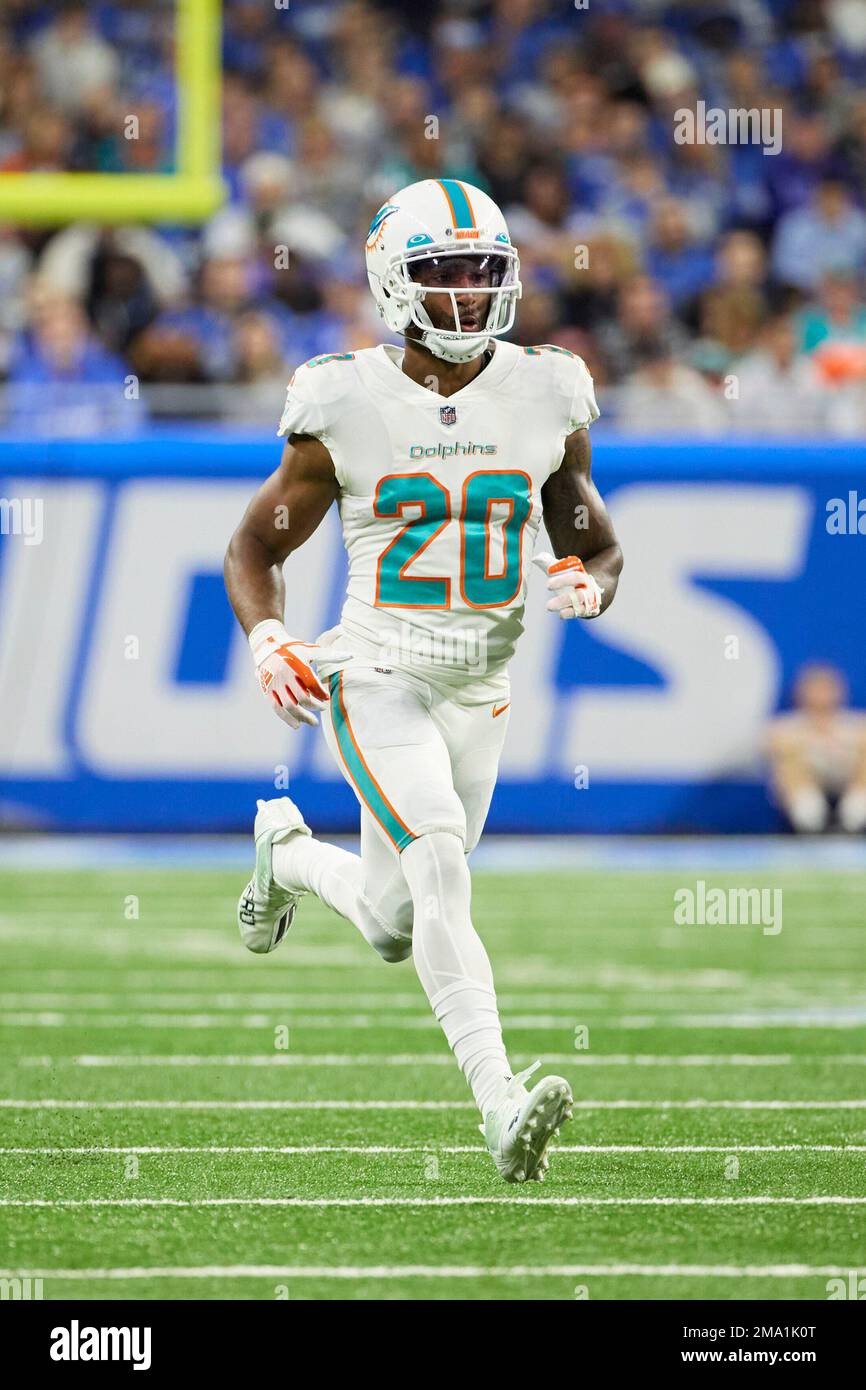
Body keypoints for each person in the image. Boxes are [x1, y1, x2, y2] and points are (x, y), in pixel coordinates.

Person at [224, 178, 623, 1184]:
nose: (460, 294)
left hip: (480, 689)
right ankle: (497, 1104)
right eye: (438, 274)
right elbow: (252, 545)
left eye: (480, 273)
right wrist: (271, 635)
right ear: (392, 284)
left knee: (394, 921)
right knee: (440, 858)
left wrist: (589, 580)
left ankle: (282, 849)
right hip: (377, 670)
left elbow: (594, 537)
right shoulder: (344, 398)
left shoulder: (546, 388)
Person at [766, 664, 866, 833]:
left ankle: (855, 817)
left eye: (826, 689)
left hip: (847, 775)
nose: (821, 696)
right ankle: (810, 818)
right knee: (788, 762)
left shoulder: (856, 723)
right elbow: (772, 744)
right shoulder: (785, 725)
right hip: (809, 778)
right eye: (815, 689)